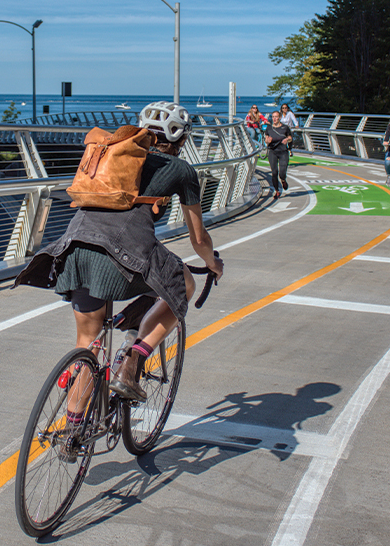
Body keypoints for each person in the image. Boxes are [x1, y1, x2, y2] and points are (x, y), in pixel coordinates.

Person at [16, 101, 224, 411]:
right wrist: (213, 264)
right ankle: (133, 359)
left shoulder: (112, 155)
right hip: (124, 256)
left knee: (88, 342)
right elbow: (199, 239)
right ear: (181, 140)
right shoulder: (180, 169)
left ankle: (72, 433)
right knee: (183, 284)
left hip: (73, 248)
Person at [263, 110, 293, 198]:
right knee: (274, 172)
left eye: (276, 117)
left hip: (283, 151)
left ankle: (283, 180)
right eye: (273, 117)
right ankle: (277, 191)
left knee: (282, 172)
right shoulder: (269, 128)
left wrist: (287, 140)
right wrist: (267, 141)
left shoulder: (285, 128)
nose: (274, 119)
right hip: (272, 151)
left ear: (279, 118)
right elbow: (266, 139)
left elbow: (290, 138)